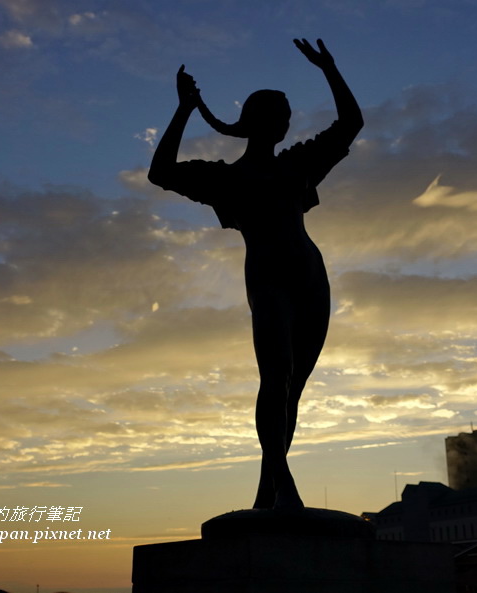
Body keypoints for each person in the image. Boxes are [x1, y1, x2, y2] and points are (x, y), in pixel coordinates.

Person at [148, 39, 363, 510]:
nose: (287, 122)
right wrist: (184, 109)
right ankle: (282, 490)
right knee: (276, 378)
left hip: (311, 279)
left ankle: (268, 494)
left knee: (293, 389)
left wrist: (330, 68)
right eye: (280, 114)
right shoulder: (227, 179)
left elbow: (351, 124)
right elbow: (160, 172)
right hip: (267, 281)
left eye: (287, 115)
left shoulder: (297, 164)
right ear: (259, 120)